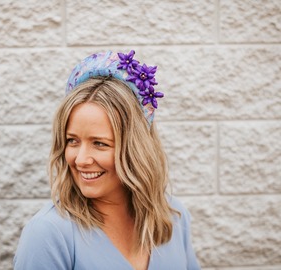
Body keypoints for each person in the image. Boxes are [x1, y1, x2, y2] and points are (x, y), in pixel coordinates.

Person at [14, 50, 200, 270]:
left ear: (136, 148)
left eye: (99, 143)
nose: (81, 160)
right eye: (72, 141)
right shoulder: (48, 234)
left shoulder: (173, 218)